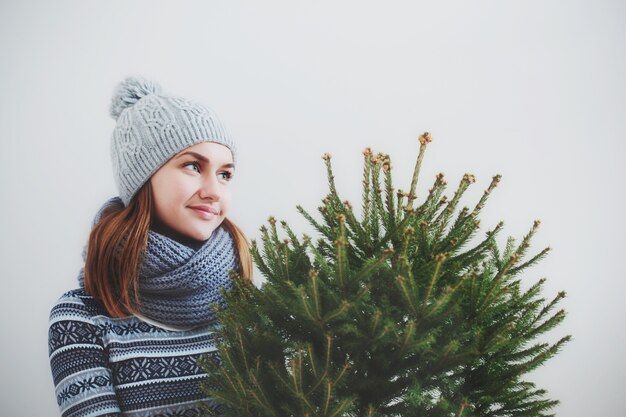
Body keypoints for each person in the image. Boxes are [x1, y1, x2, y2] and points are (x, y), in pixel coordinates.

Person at [48, 76, 252, 417]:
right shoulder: (82, 319)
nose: (214, 191)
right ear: (143, 178)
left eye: (225, 174)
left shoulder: (247, 305)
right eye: (192, 166)